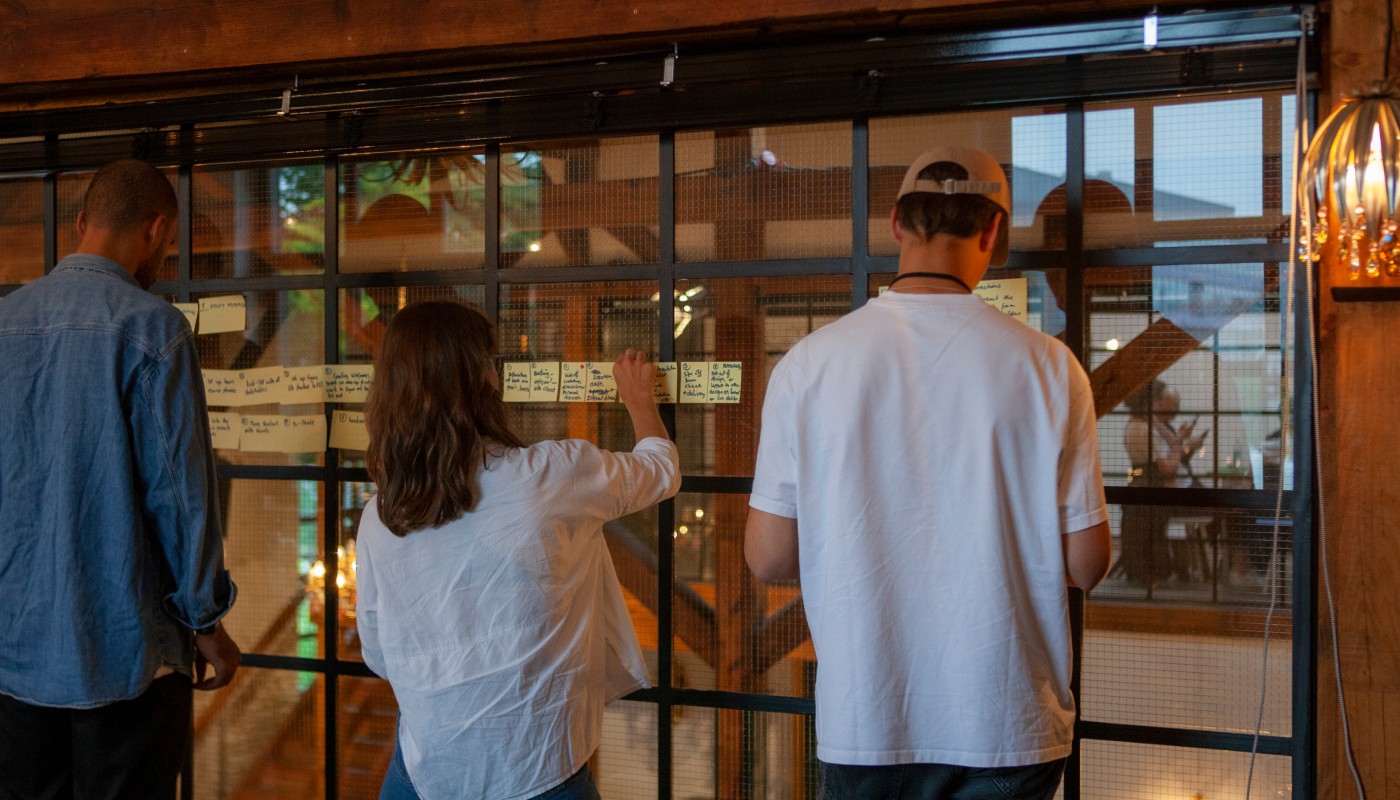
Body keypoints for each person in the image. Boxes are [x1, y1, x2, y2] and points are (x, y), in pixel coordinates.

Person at [745, 146, 1112, 799]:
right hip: (1008, 724)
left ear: (895, 224)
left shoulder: (808, 365)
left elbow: (768, 558)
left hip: (867, 722)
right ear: (992, 231)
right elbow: (1087, 566)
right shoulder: (1051, 367)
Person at [355, 300, 680, 800]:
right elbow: (660, 469)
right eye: (491, 361)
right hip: (538, 771)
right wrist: (639, 399)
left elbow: (378, 654)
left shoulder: (379, 517)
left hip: (424, 773)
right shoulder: (545, 477)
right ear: (480, 378)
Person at [0, 159, 241, 799]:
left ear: (82, 222)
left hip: (13, 656)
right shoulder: (154, 329)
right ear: (157, 229)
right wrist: (206, 622)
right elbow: (181, 496)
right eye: (170, 241)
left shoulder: (3, 323)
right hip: (126, 657)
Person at [1116, 378, 1208, 586]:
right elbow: (1168, 469)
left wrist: (1181, 441)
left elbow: (1172, 450)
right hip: (1162, 491)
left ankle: (1189, 569)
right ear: (1152, 401)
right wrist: (1179, 444)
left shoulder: (1150, 423)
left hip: (1168, 488)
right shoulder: (1141, 428)